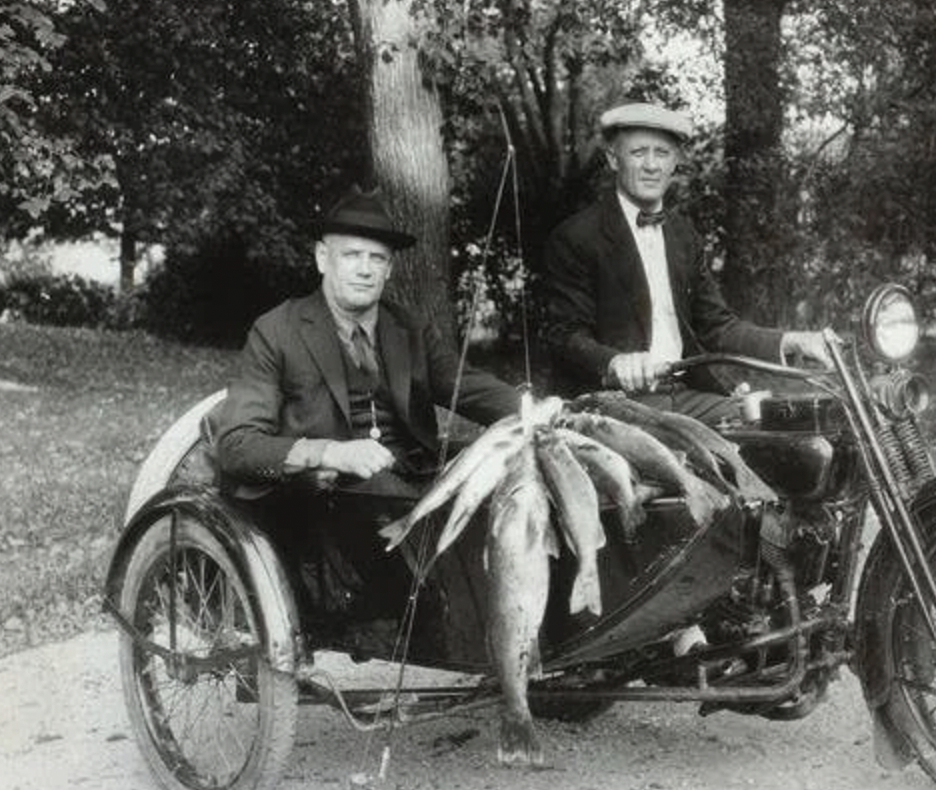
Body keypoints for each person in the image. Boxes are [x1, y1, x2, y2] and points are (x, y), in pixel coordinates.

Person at [215, 186, 522, 629]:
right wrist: (327, 452)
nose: (364, 270)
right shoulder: (277, 330)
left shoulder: (408, 327)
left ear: (390, 268)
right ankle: (448, 619)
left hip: (413, 474)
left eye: (376, 259)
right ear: (323, 259)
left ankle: (511, 621)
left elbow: (466, 387)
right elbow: (237, 446)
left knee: (507, 467)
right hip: (329, 498)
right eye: (351, 255)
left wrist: (535, 410)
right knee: (385, 492)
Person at [543, 101, 831, 425]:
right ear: (613, 158)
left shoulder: (684, 235)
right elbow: (564, 334)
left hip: (686, 396)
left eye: (662, 153)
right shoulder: (576, 236)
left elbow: (718, 326)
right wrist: (614, 362)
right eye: (638, 153)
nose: (651, 165)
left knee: (790, 435)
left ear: (675, 162)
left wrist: (793, 341)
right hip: (612, 406)